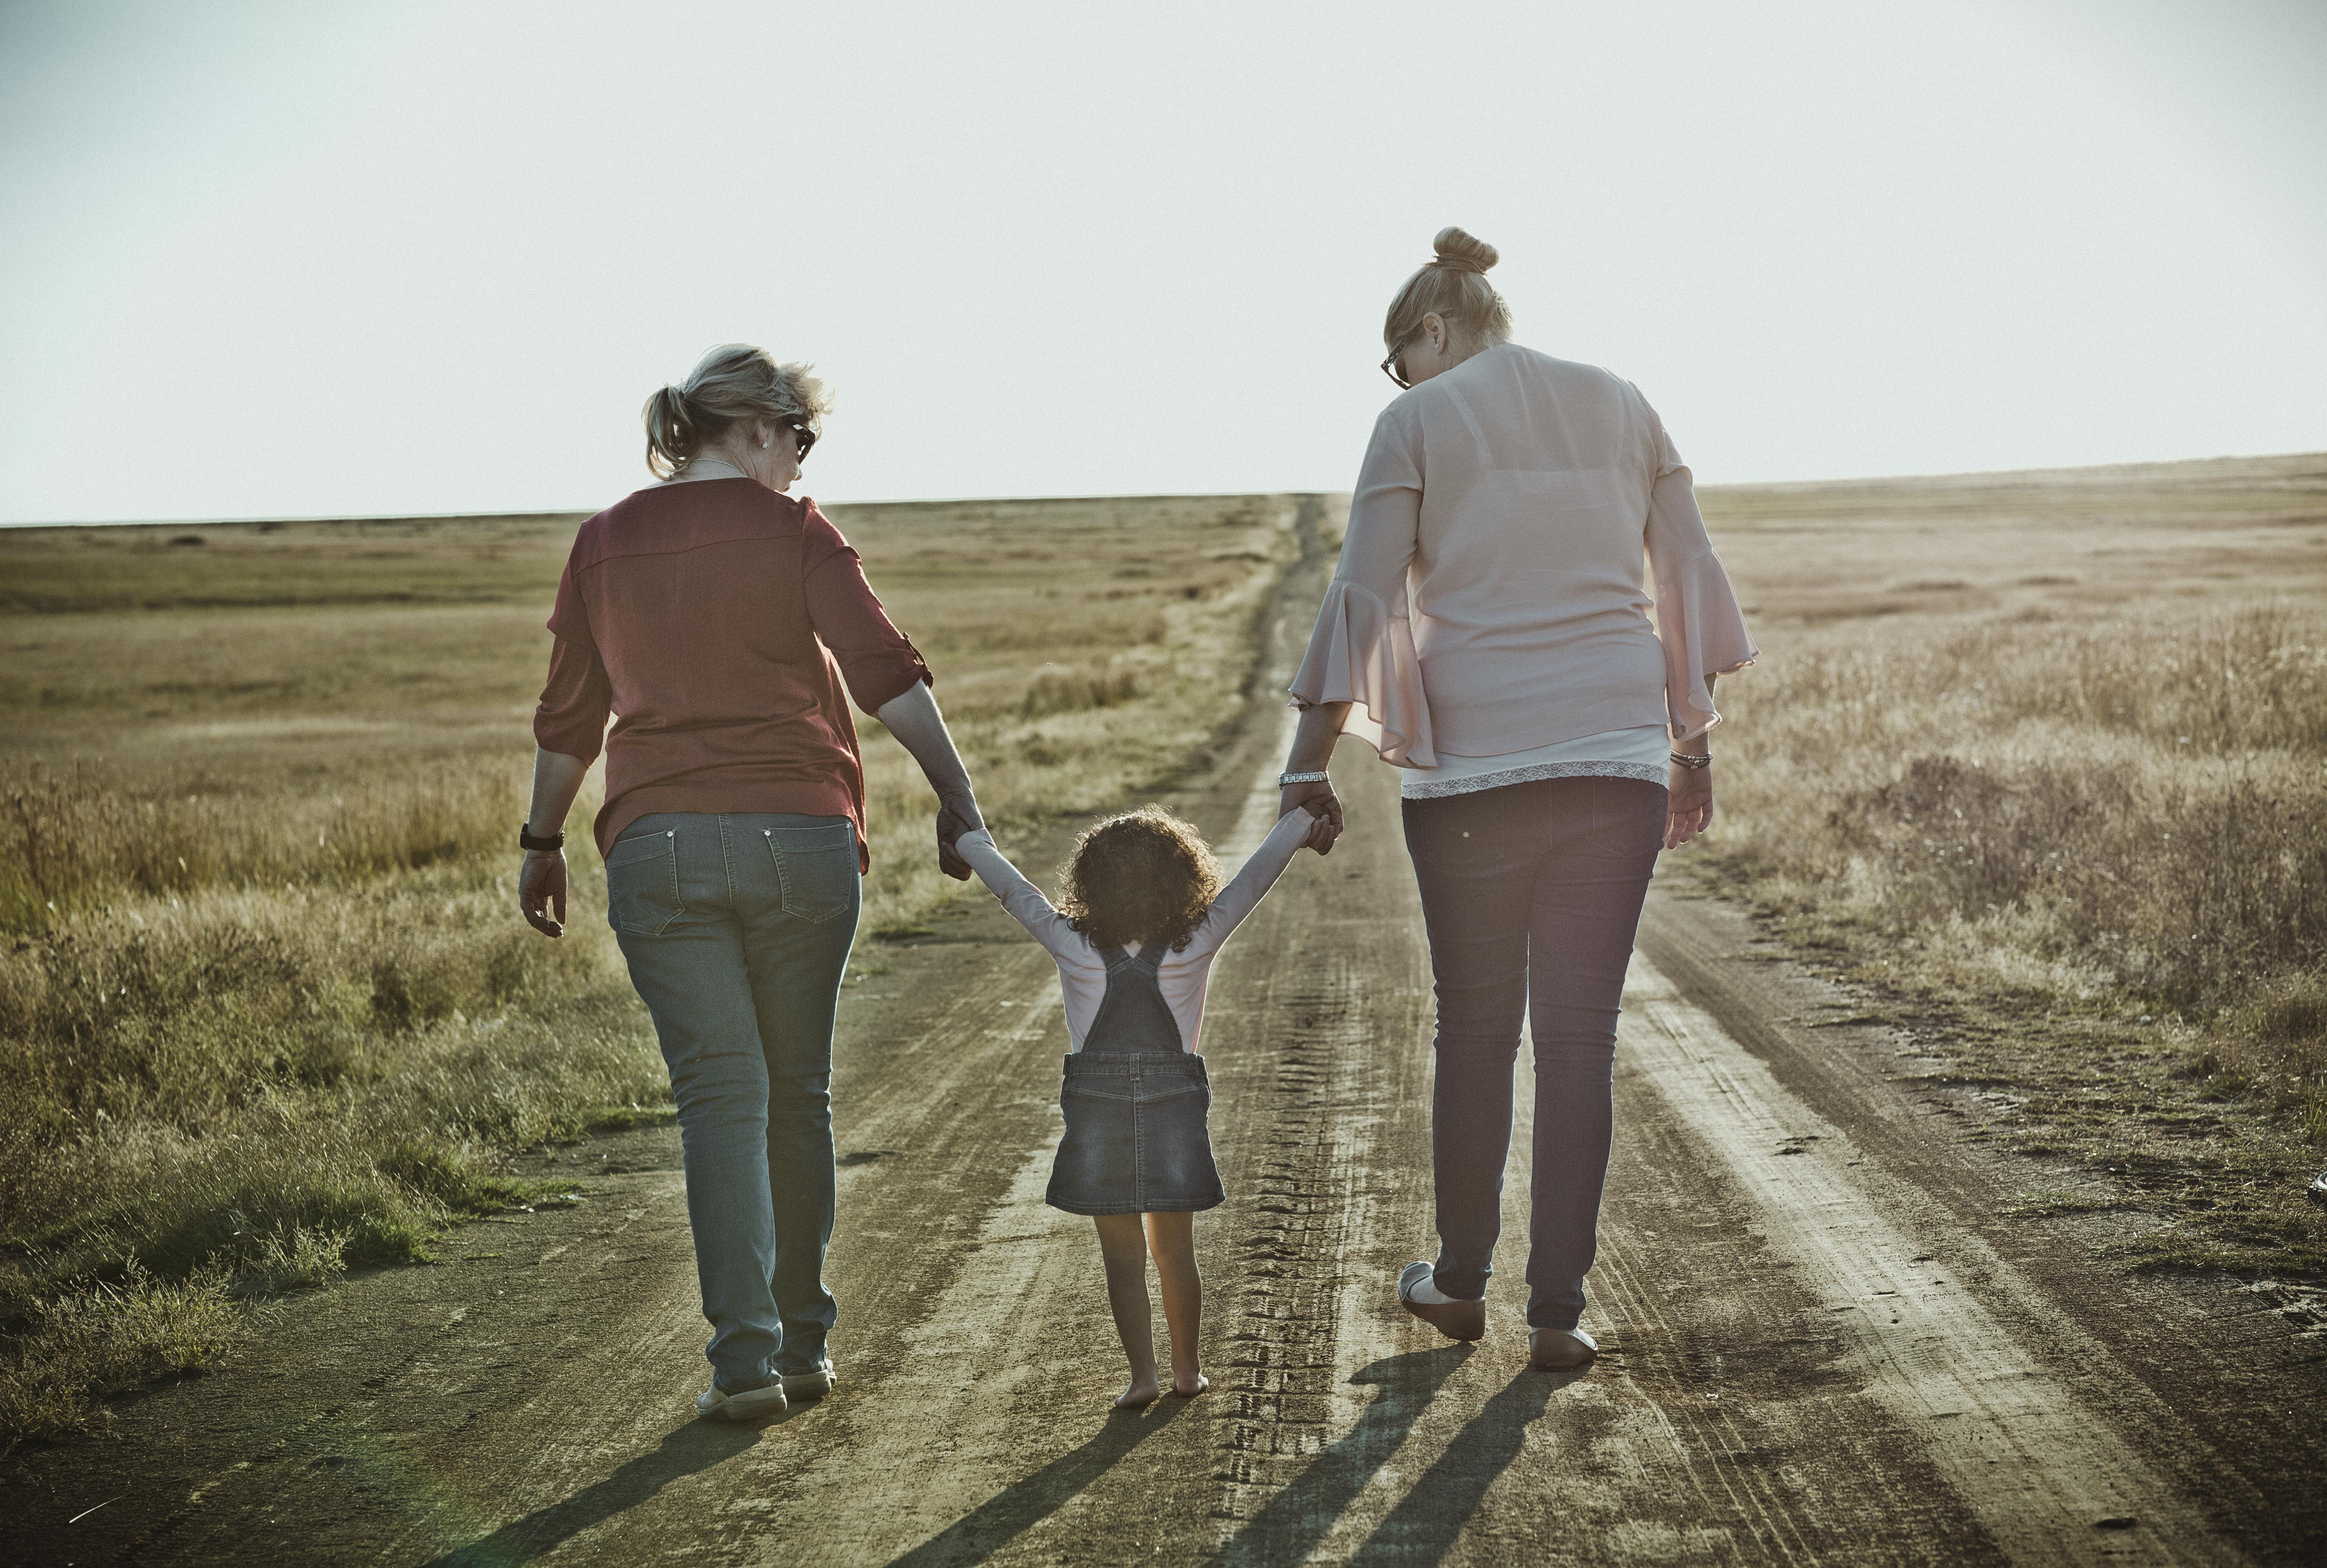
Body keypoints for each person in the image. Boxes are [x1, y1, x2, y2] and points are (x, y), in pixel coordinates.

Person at [1280, 228, 1758, 1372]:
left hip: (1476, 778)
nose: (1403, 383)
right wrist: (1691, 748)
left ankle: (1457, 1280)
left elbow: (1362, 591)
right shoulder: (1625, 403)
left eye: (1403, 359)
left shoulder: (1414, 422)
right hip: (1617, 760)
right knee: (1582, 1039)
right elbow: (1683, 573)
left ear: (1435, 330)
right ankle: (1559, 1312)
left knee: (1479, 1030)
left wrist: (1307, 762)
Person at [517, 344, 984, 1421]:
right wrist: (960, 802)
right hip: (801, 841)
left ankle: (742, 1363)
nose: (801, 467)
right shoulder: (795, 530)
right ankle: (806, 1349)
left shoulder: (602, 543)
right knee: (796, 1093)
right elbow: (884, 674)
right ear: (764, 430)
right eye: (803, 443)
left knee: (719, 1103)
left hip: (658, 848)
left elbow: (569, 718)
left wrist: (541, 842)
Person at [952, 804, 1335, 1407]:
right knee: (1175, 1250)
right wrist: (1299, 824)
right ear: (1182, 879)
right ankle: (1188, 1371)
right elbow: (1254, 880)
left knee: (1122, 1255)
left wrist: (970, 841)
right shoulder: (1196, 941)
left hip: (1098, 1112)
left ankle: (1142, 1378)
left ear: (1089, 884)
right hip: (1173, 1106)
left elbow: (1014, 892)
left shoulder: (1072, 945)